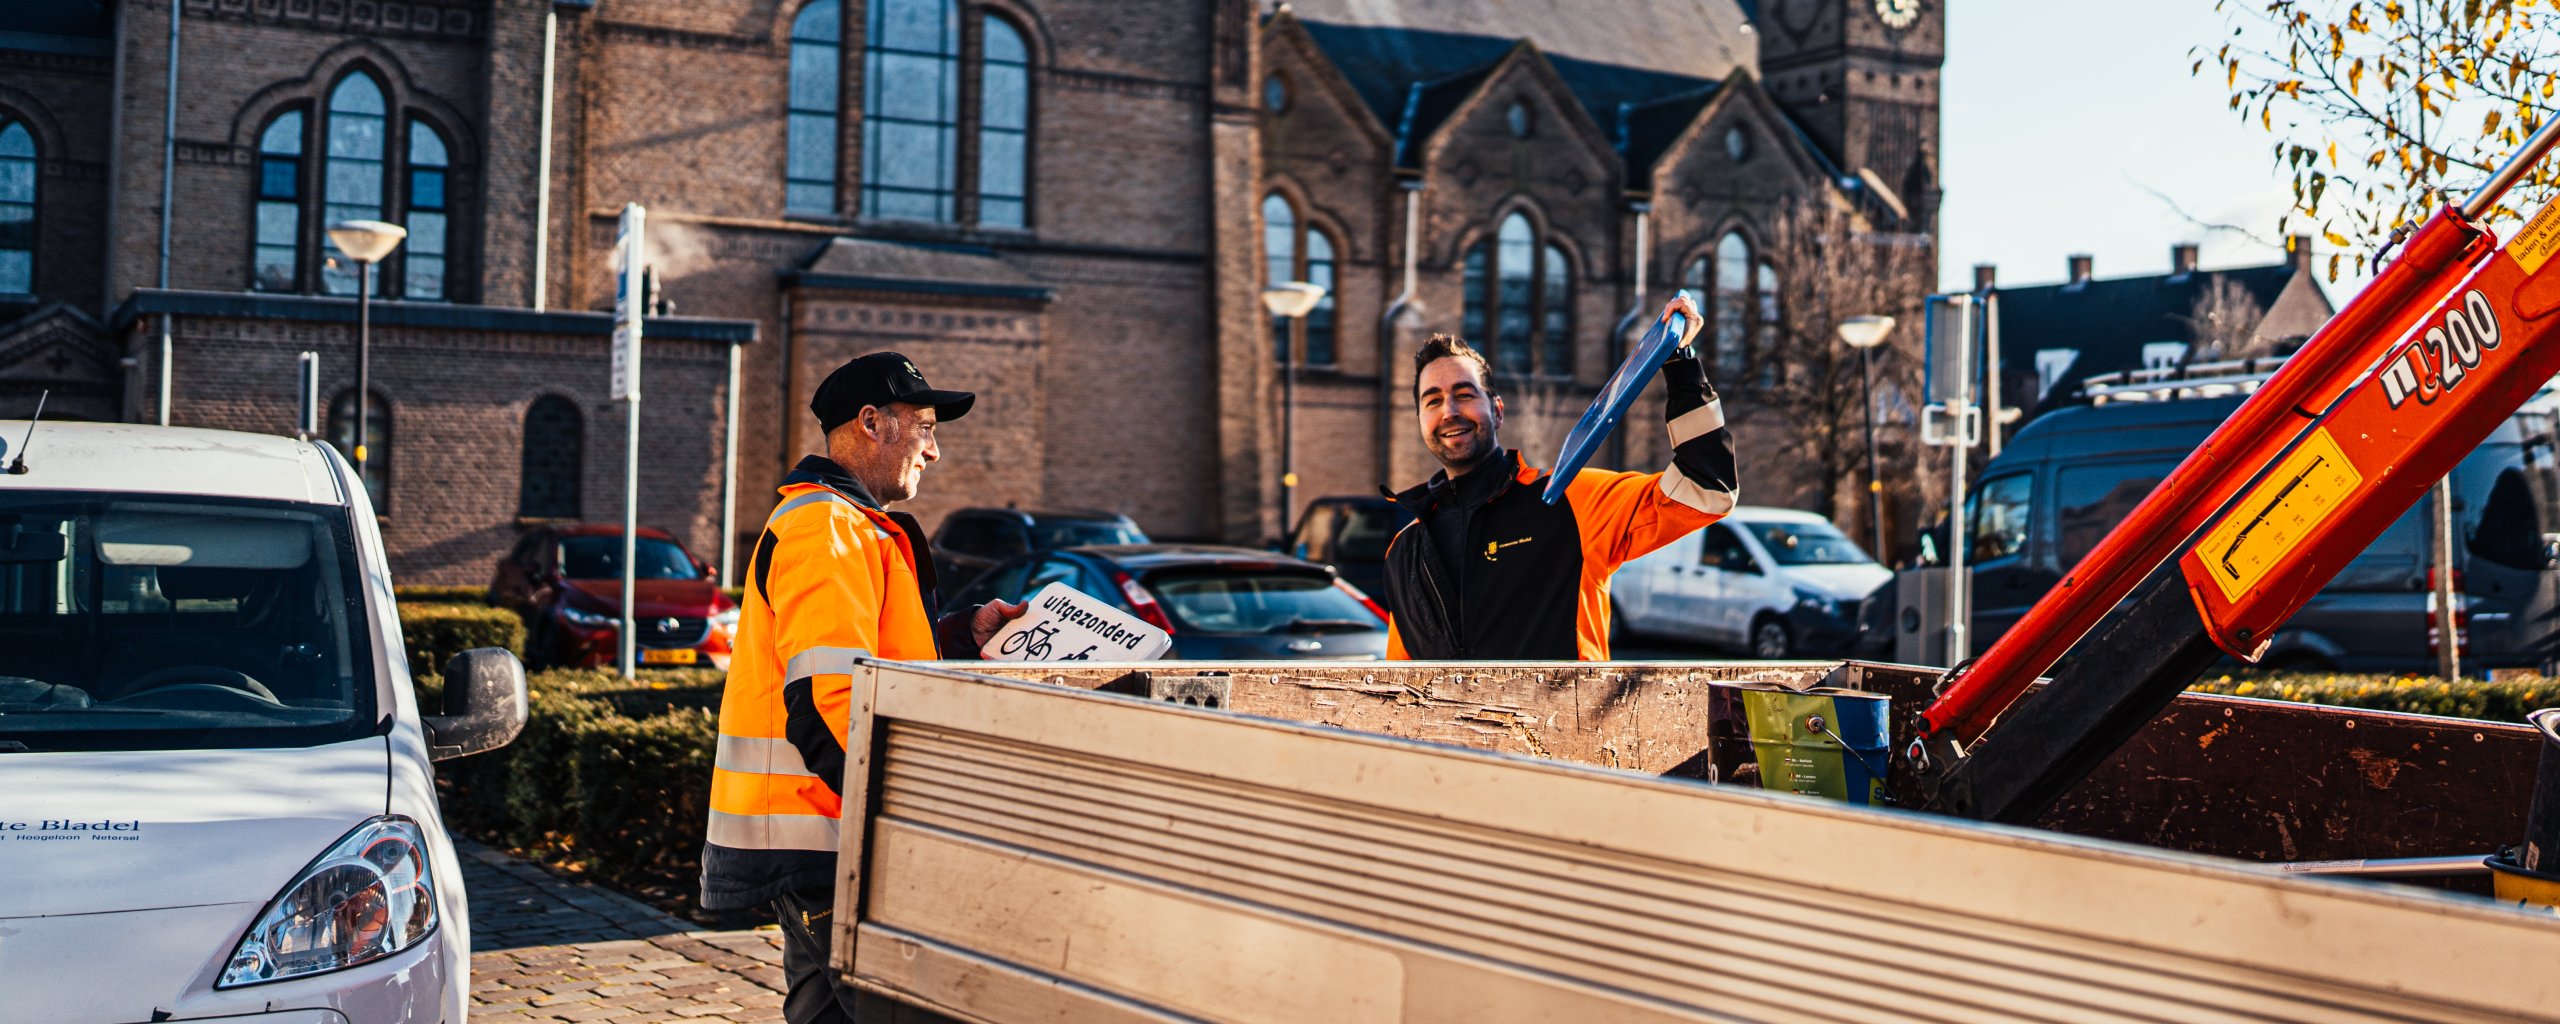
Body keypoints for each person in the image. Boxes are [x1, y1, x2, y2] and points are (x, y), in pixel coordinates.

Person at [700, 351, 1024, 1024]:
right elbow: (831, 698)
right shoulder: (829, 528)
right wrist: (900, 824)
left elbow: (869, 657)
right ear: (872, 424)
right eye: (926, 427)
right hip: (831, 840)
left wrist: (963, 632)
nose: (933, 451)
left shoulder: (843, 524)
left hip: (814, 837)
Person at [1381, 300, 1737, 659]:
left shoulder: (1571, 499)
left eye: (1464, 394)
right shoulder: (1405, 549)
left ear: (1497, 410)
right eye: (1432, 401)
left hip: (1569, 716)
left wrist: (1680, 364)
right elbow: (1401, 681)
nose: (1450, 412)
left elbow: (1706, 489)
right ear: (1420, 420)